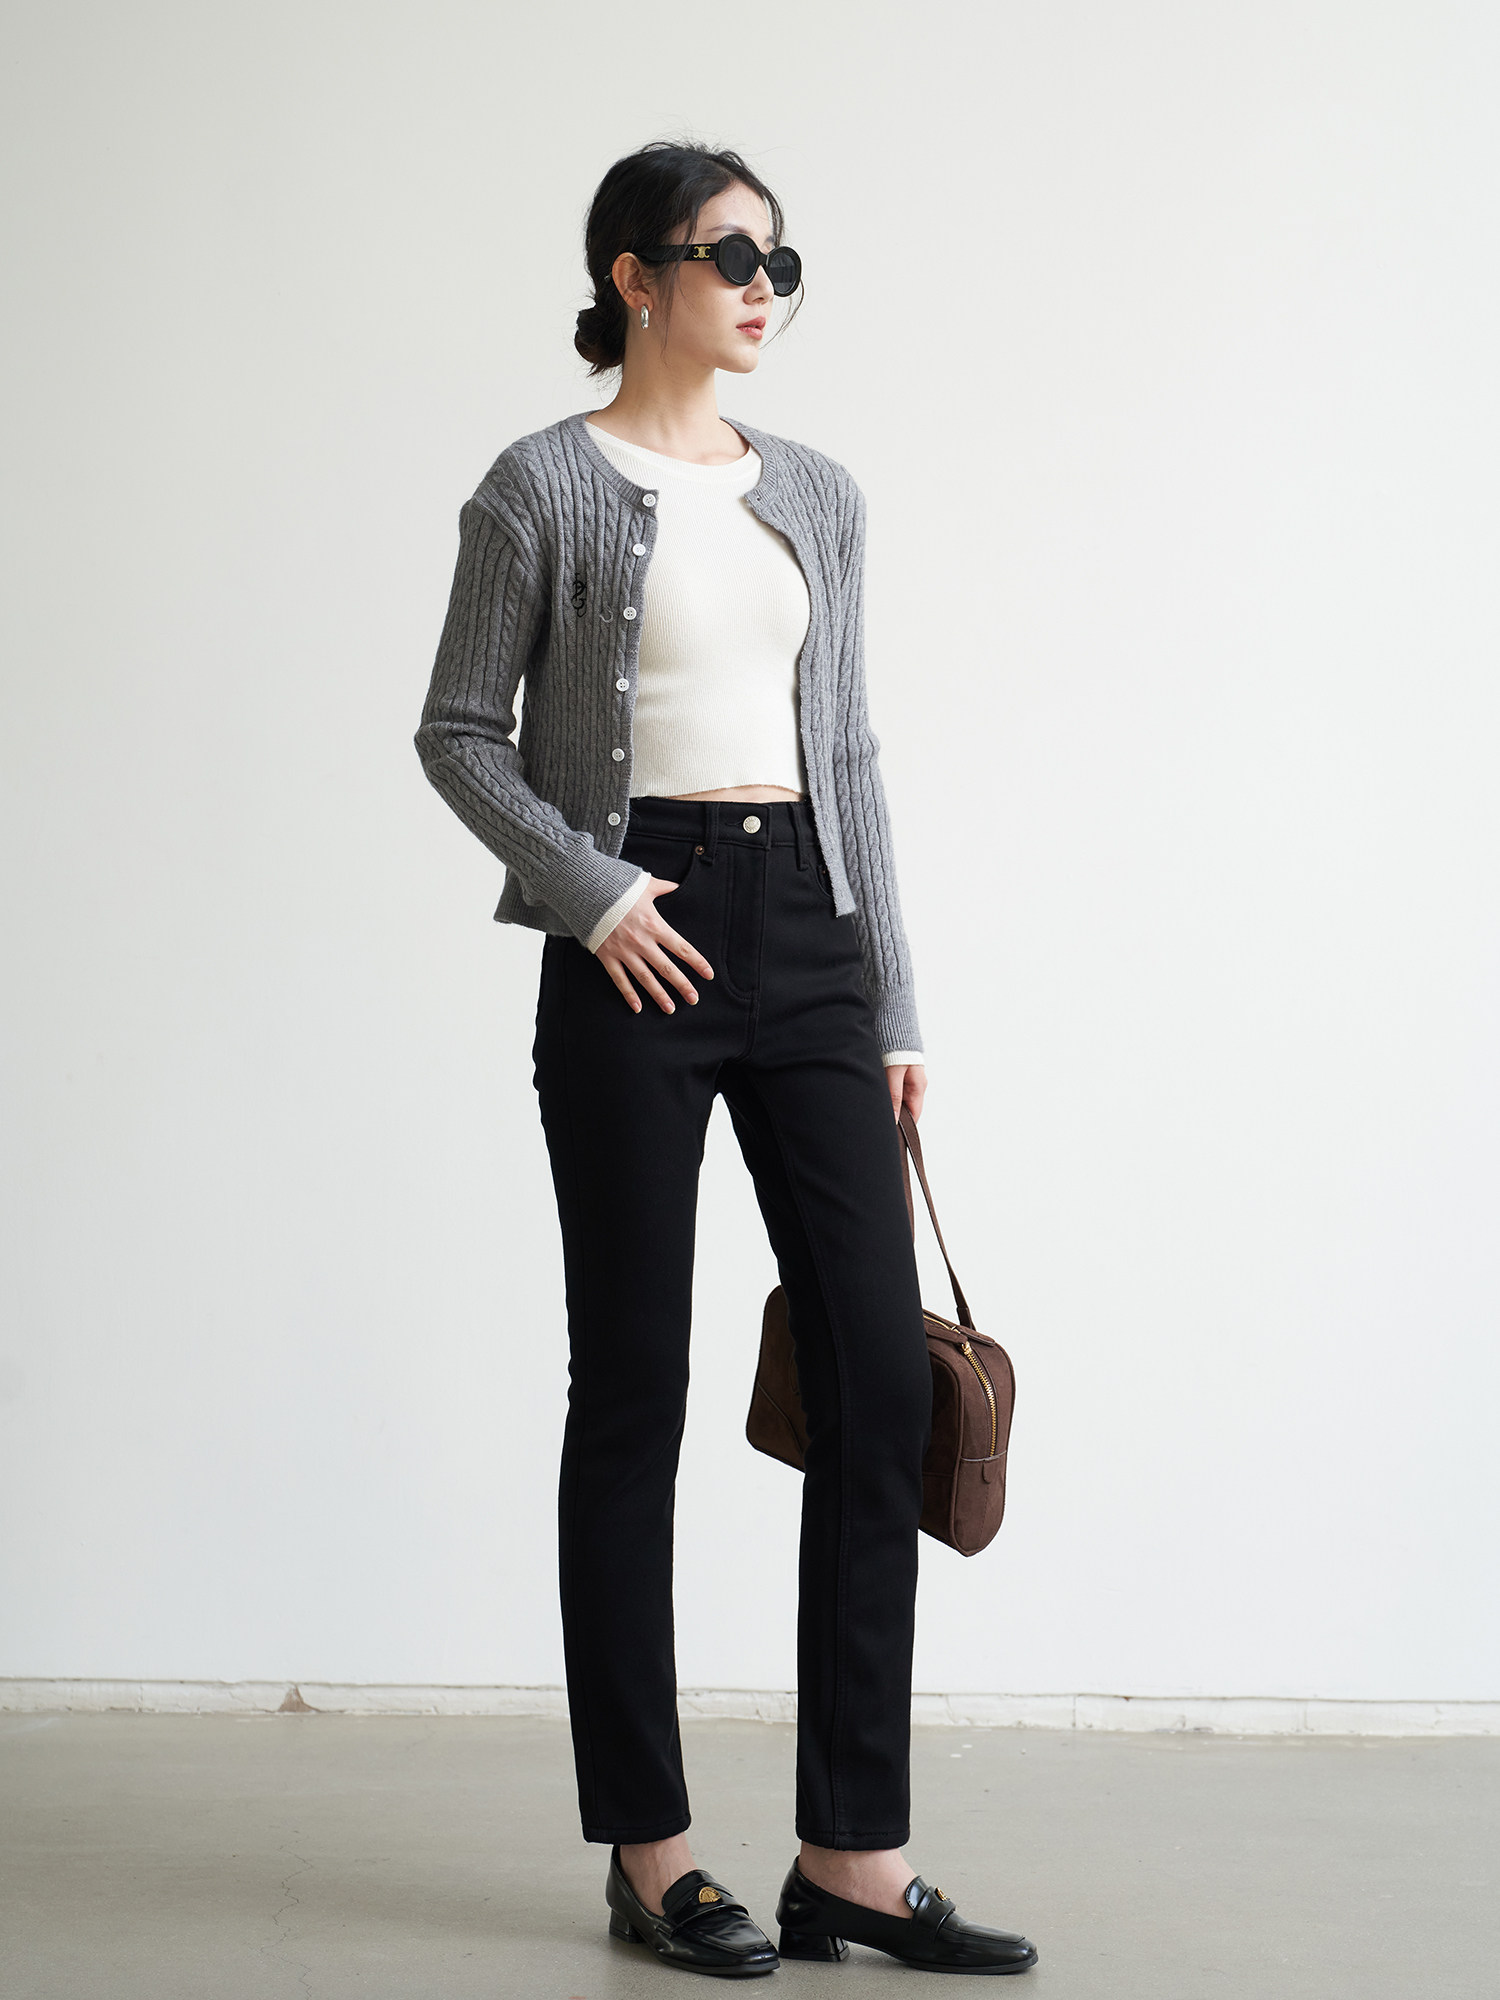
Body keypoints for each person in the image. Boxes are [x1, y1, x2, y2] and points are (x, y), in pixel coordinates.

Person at [415, 138, 1038, 1980]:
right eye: (728, 255)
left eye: (781, 260)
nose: (764, 286)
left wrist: (894, 1003)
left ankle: (854, 1854)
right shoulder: (539, 486)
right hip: (638, 940)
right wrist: (596, 893)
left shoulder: (820, 493)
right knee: (635, 1386)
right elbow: (459, 734)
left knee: (880, 1378)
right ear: (634, 277)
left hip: (812, 937)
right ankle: (654, 1848)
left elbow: (851, 753)